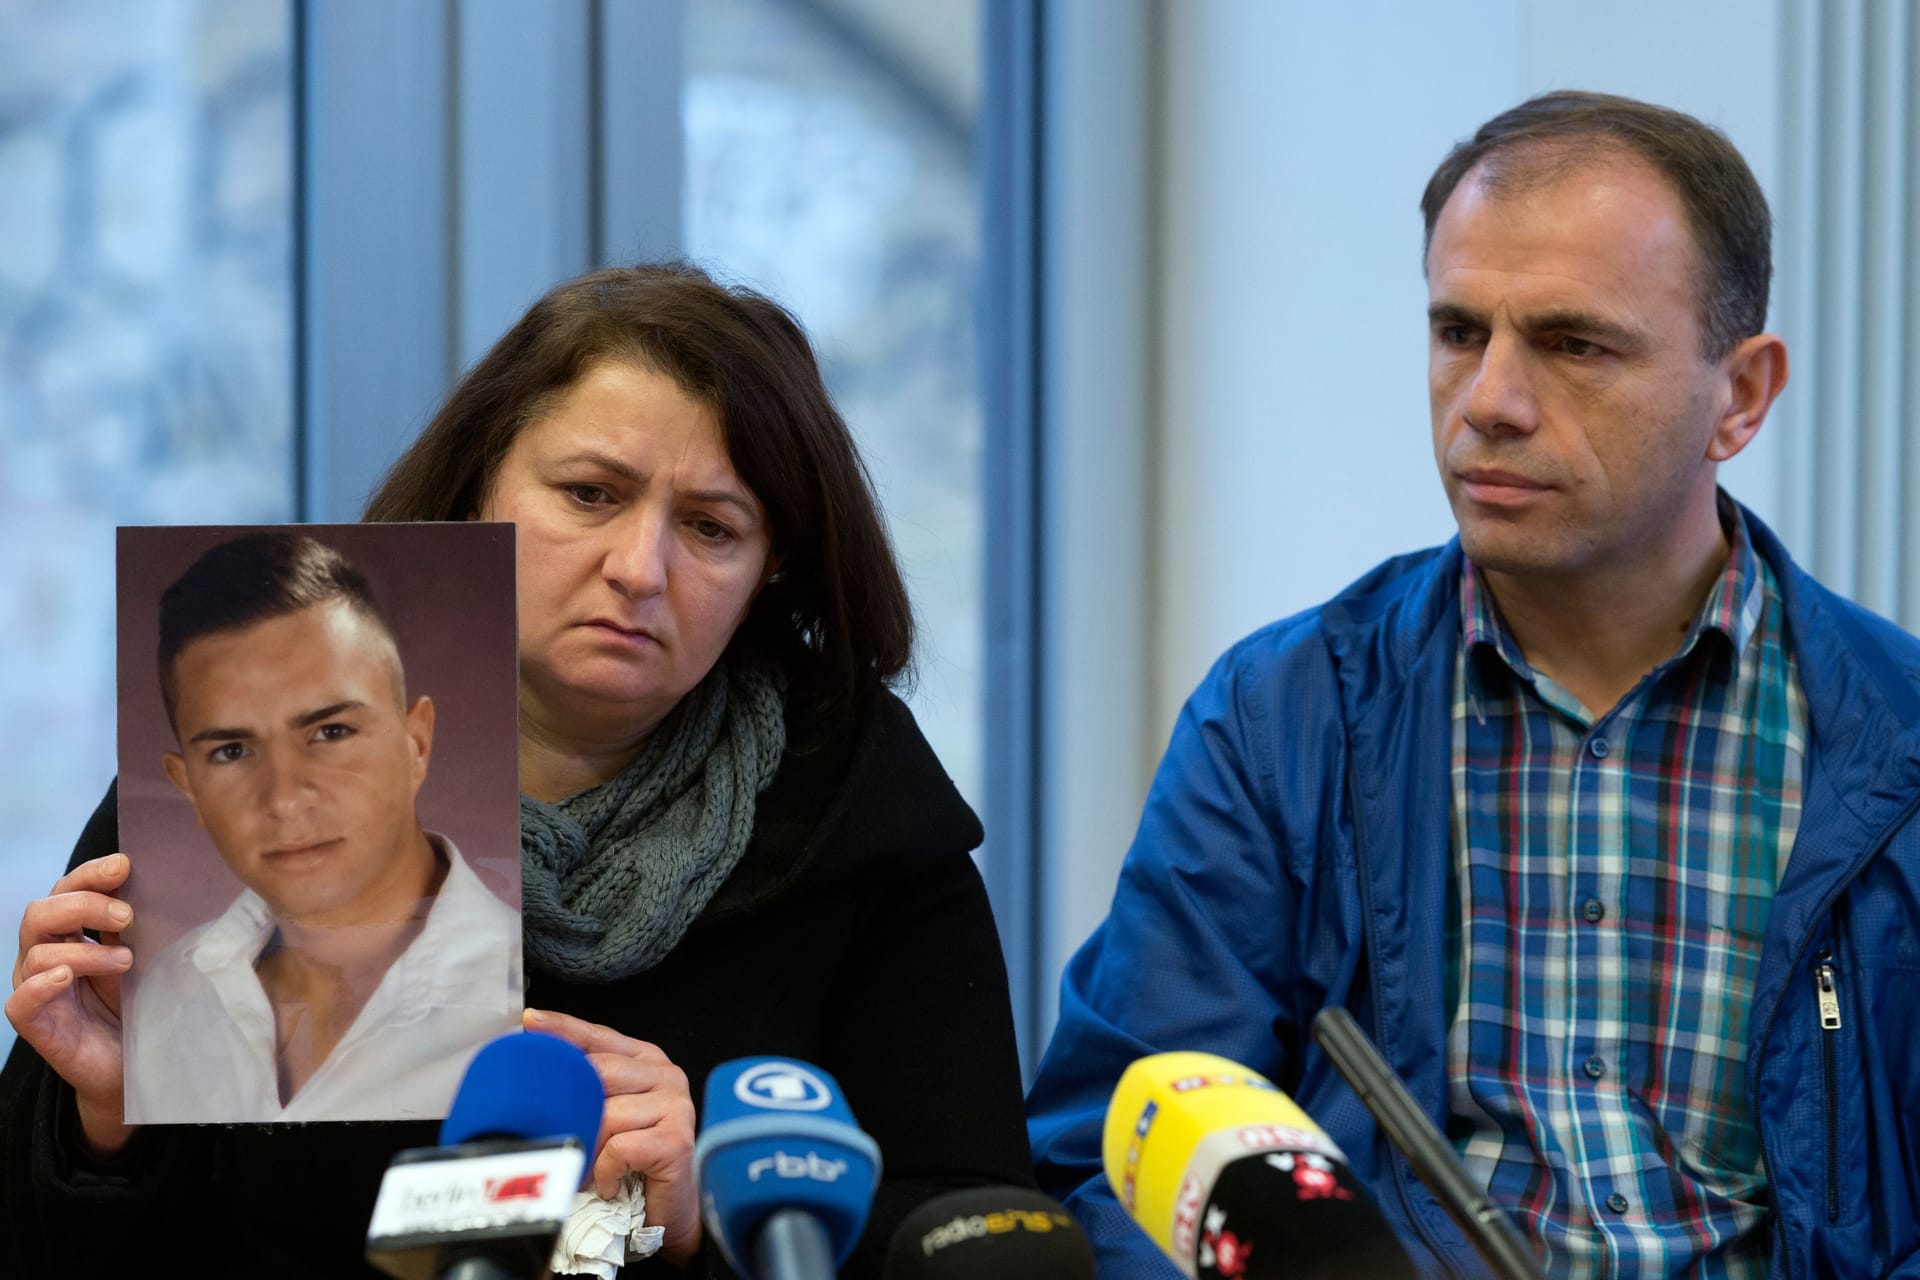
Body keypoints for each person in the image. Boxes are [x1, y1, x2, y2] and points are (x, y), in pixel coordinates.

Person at [1027, 91, 1920, 1278]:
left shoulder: (1894, 739)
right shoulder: (1284, 716)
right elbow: (1116, 1151)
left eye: (1573, 343)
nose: (1488, 402)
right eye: (1459, 332)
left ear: (1741, 396)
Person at [3, 263, 1032, 1278]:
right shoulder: (241, 777)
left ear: (774, 569)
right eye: (590, 494)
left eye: (711, 527)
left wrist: (705, 1224)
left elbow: (979, 1230)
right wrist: (107, 1123)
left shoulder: (861, 819)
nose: (640, 567)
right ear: (484, 480)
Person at [124, 531, 521, 1124]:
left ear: (416, 745)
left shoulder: (521, 995)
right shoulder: (164, 1000)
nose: (284, 799)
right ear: (189, 789)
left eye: (330, 732)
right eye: (232, 751)